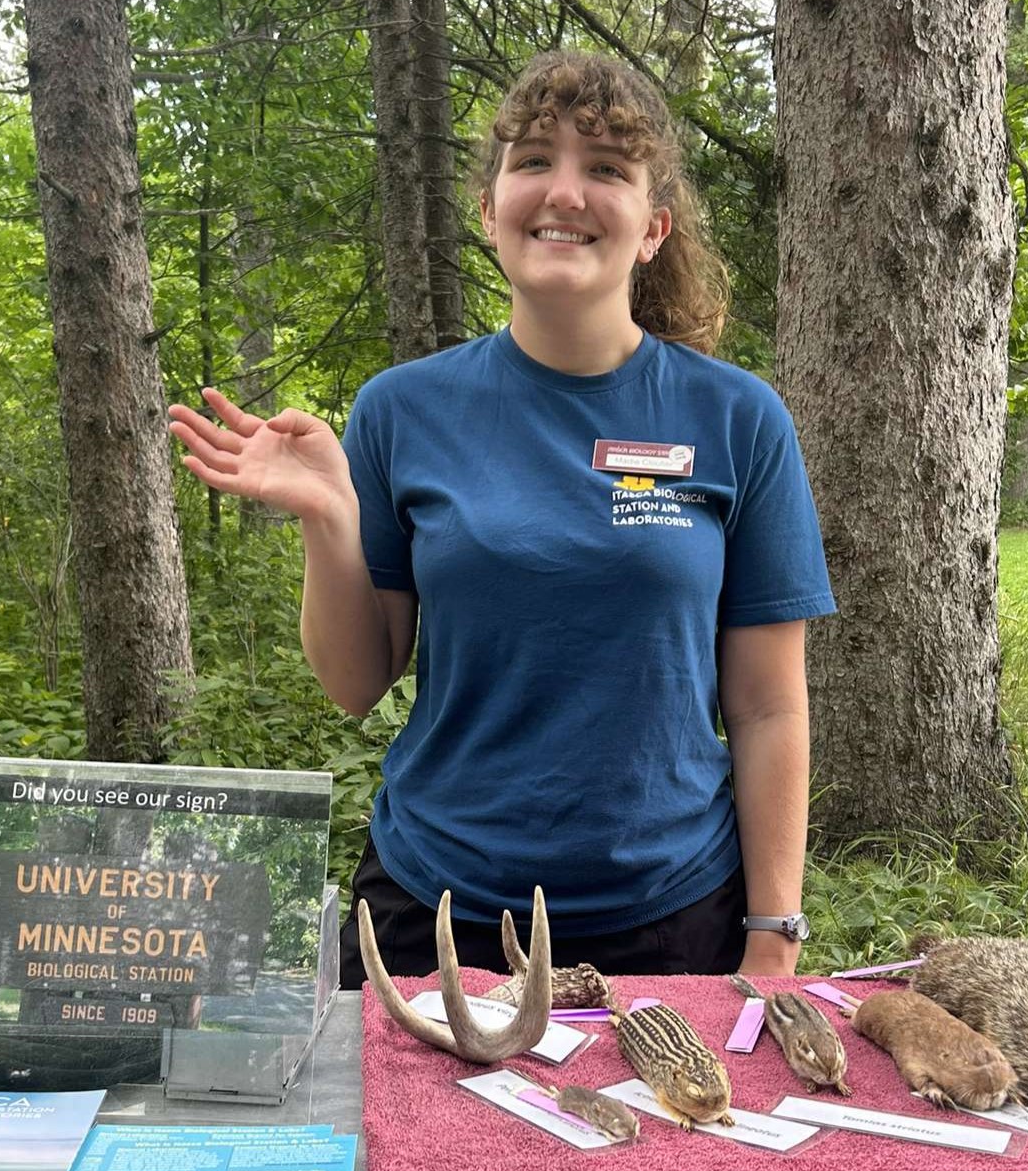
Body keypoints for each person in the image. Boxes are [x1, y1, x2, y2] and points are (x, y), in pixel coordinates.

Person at [168, 51, 835, 987]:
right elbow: (360, 680)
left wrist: (774, 931)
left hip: (674, 921)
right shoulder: (404, 411)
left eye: (606, 168)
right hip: (434, 913)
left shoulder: (737, 420)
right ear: (489, 211)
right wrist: (328, 520)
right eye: (532, 161)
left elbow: (768, 706)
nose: (565, 190)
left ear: (654, 228)